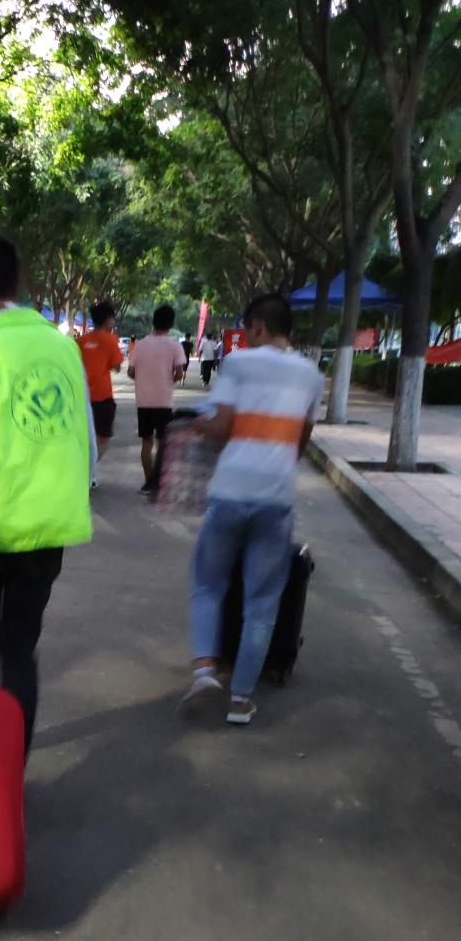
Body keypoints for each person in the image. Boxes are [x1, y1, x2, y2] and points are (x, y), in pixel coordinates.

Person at [0, 234, 95, 754]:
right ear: (19, 281)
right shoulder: (63, 347)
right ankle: (10, 771)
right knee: (20, 649)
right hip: (46, 530)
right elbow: (84, 438)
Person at [183, 293, 323, 726]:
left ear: (258, 327)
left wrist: (199, 422)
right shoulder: (312, 375)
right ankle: (241, 700)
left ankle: (205, 671)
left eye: (247, 330)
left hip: (230, 490)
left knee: (208, 583)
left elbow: (222, 426)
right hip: (275, 498)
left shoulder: (239, 363)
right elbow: (301, 439)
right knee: (261, 603)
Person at [127, 303, 186, 494]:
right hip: (163, 402)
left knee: (146, 442)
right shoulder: (175, 345)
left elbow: (131, 372)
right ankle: (159, 483)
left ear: (153, 321)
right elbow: (179, 373)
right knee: (163, 443)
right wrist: (166, 379)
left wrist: (144, 378)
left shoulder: (140, 345)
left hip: (143, 402)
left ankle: (148, 482)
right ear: (171, 324)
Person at [76, 301, 124, 476]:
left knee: (83, 436)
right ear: (107, 320)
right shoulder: (110, 340)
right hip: (103, 397)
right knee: (103, 438)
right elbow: (117, 366)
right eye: (112, 318)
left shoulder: (80, 341)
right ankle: (86, 470)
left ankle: (83, 469)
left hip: (81, 397)